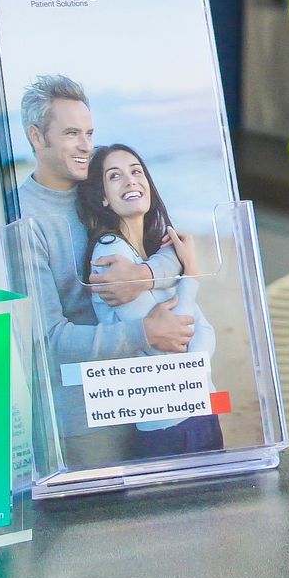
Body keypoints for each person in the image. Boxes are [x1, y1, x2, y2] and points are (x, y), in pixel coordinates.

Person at [16, 75, 192, 469]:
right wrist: (145, 332)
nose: (85, 145)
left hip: (145, 397)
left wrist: (142, 276)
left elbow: (171, 247)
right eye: (71, 133)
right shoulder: (23, 220)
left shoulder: (97, 190)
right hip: (85, 418)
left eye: (89, 133)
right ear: (37, 137)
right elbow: (48, 340)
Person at [76, 144, 225, 457]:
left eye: (136, 171)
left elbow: (206, 337)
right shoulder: (108, 253)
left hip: (201, 412)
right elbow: (175, 345)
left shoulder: (149, 254)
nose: (130, 181)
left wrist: (194, 356)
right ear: (103, 197)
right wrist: (192, 273)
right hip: (168, 426)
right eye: (114, 176)